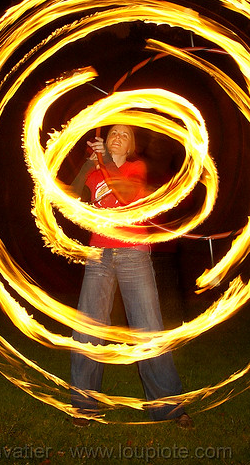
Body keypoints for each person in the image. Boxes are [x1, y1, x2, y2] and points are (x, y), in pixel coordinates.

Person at [69, 124, 193, 429]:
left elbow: (125, 192)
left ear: (130, 146)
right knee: (88, 330)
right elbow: (69, 195)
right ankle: (84, 405)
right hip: (99, 254)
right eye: (113, 133)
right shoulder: (95, 170)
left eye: (124, 134)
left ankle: (168, 408)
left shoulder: (136, 167)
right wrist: (88, 161)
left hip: (133, 253)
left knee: (147, 329)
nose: (117, 136)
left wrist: (105, 163)